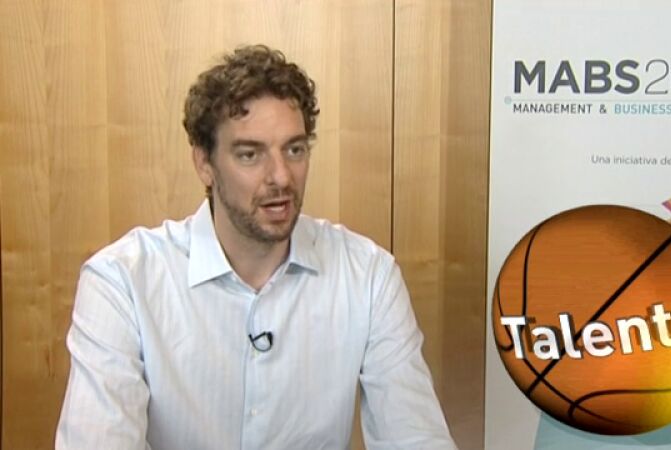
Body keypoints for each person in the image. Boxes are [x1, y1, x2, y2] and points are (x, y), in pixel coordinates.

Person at [56, 44, 456, 450]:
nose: (281, 177)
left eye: (294, 150)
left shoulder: (369, 275)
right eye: (250, 155)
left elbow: (416, 438)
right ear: (204, 164)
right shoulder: (122, 281)